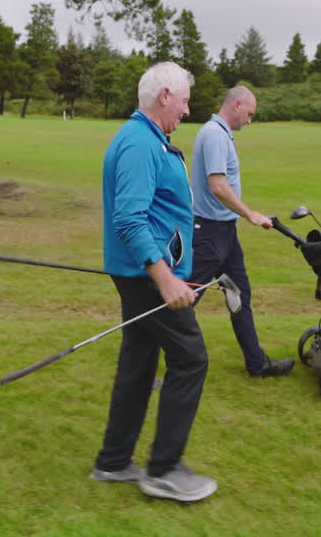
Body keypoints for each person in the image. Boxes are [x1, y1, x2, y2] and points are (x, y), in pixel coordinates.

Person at [90, 61, 217, 503]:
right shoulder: (141, 143)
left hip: (140, 273)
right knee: (191, 359)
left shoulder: (146, 138)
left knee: (138, 364)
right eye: (183, 101)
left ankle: (113, 461)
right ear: (164, 96)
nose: (186, 110)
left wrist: (175, 272)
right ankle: (163, 470)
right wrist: (165, 278)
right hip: (145, 275)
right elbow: (128, 217)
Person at [190, 86, 295, 377]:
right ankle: (146, 366)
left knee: (240, 294)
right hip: (209, 235)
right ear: (236, 105)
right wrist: (250, 213)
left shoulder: (220, 134)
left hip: (225, 234)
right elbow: (217, 185)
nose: (249, 120)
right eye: (249, 114)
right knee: (183, 301)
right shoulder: (213, 134)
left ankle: (257, 363)